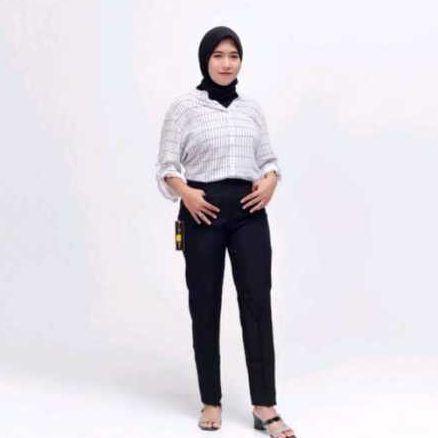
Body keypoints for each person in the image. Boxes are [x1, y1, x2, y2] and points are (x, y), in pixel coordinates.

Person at [155, 26, 297, 438]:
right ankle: (211, 400)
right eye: (218, 55)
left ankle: (265, 405)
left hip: (250, 212)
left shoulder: (251, 109)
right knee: (205, 304)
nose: (226, 63)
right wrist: (187, 195)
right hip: (202, 212)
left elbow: (268, 159)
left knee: (257, 303)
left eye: (233, 55)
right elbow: (165, 166)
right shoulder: (184, 107)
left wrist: (271, 180)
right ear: (205, 60)